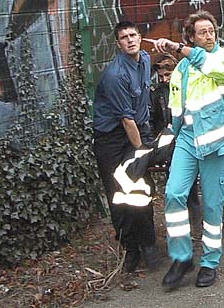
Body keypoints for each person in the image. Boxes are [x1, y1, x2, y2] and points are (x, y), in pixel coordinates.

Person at [150, 11, 224, 289]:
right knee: (174, 194)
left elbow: (219, 73)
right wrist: (168, 139)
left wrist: (179, 48)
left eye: (211, 30)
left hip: (215, 143)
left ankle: (210, 262)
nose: (209, 36)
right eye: (202, 32)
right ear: (192, 36)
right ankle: (182, 257)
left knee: (212, 204)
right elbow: (177, 109)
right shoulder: (181, 69)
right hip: (188, 139)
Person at [92, 20, 162, 274]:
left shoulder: (144, 59)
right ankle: (130, 250)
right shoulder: (115, 75)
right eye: (124, 37)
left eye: (133, 35)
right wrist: (142, 151)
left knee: (141, 189)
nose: (130, 40)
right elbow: (126, 119)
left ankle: (149, 246)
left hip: (137, 131)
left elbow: (142, 105)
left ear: (140, 36)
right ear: (118, 43)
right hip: (111, 138)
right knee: (119, 195)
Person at [149, 54, 201, 231]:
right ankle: (185, 224)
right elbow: (155, 120)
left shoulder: (185, 88)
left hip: (185, 141)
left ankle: (195, 223)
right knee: (176, 185)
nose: (164, 79)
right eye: (161, 76)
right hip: (168, 145)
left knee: (190, 186)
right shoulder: (157, 95)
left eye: (167, 75)